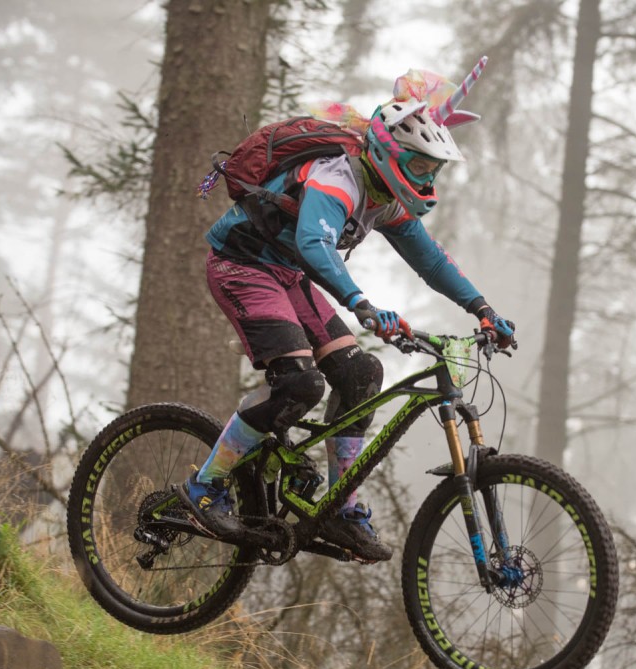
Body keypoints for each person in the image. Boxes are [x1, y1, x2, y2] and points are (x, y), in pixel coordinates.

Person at [179, 61, 516, 563]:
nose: (428, 179)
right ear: (391, 154)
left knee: (361, 373)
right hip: (242, 265)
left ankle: (340, 507)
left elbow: (430, 259)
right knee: (299, 383)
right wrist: (361, 304)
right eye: (421, 166)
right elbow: (316, 244)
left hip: (288, 274)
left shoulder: (384, 196)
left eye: (435, 169)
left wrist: (482, 308)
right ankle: (204, 486)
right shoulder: (339, 178)